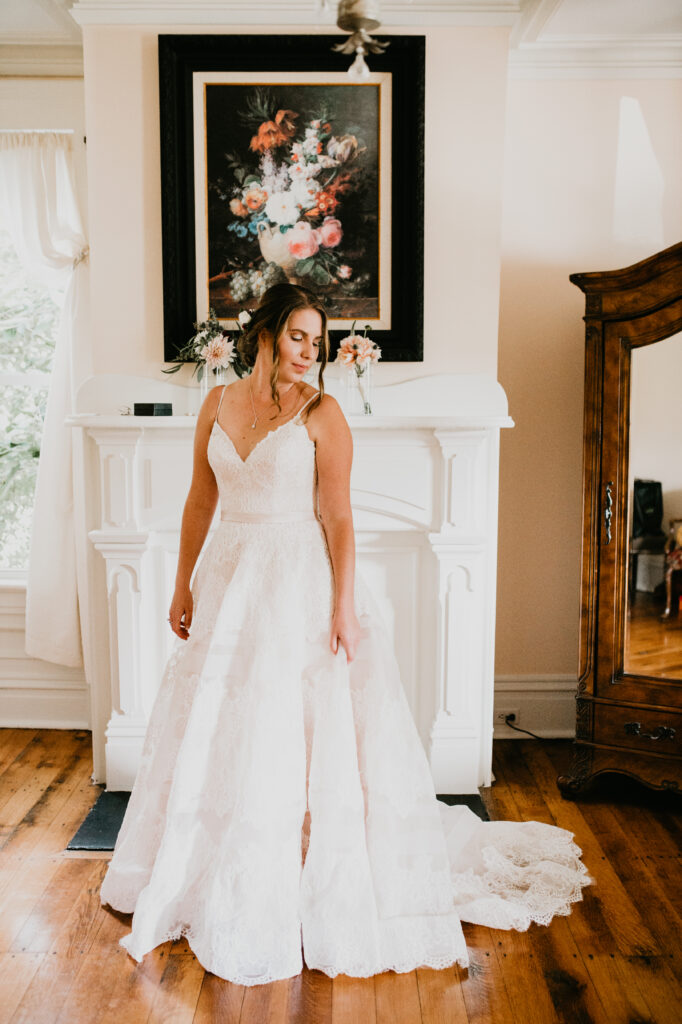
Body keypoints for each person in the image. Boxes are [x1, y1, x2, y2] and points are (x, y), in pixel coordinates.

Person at [100, 282, 592, 986]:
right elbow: (200, 500)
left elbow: (339, 518)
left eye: (317, 341)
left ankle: (303, 871)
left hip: (295, 584)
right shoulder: (216, 403)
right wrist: (181, 583)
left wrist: (343, 607)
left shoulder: (324, 413)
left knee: (294, 726)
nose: (309, 351)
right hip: (227, 579)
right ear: (264, 334)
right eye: (298, 336)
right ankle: (214, 868)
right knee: (222, 724)